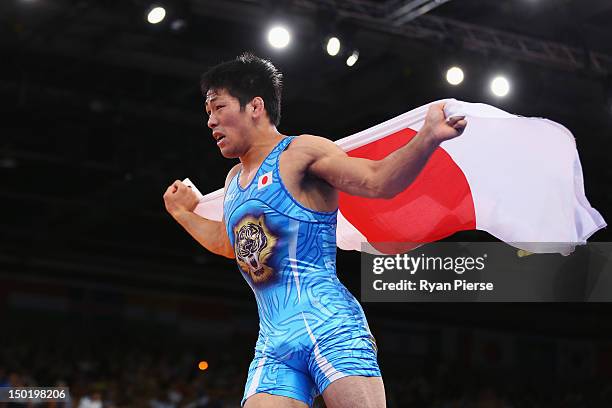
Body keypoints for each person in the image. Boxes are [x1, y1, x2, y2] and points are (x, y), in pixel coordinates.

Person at [163, 53, 466, 408]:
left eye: (218, 107)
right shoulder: (234, 182)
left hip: (331, 326)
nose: (211, 121)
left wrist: (428, 137)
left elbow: (376, 181)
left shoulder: (300, 152)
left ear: (255, 106)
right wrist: (182, 213)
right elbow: (230, 244)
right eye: (208, 113)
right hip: (274, 342)